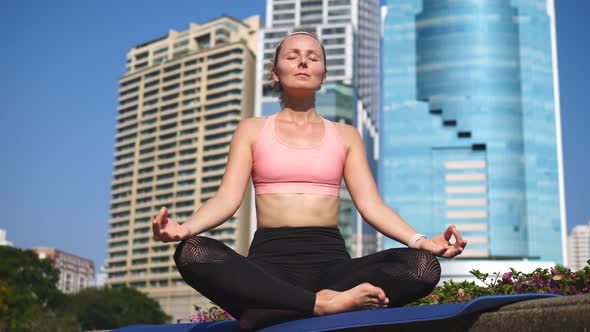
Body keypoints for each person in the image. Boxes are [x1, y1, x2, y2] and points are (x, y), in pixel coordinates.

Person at [152, 31, 468, 330]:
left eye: (313, 57)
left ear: (324, 75)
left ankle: (276, 308)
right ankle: (317, 305)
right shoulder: (252, 129)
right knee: (192, 252)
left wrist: (421, 241)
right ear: (275, 73)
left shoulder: (345, 135)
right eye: (292, 56)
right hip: (268, 265)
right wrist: (186, 229)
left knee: (423, 267)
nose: (303, 62)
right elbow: (226, 199)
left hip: (333, 267)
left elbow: (371, 205)